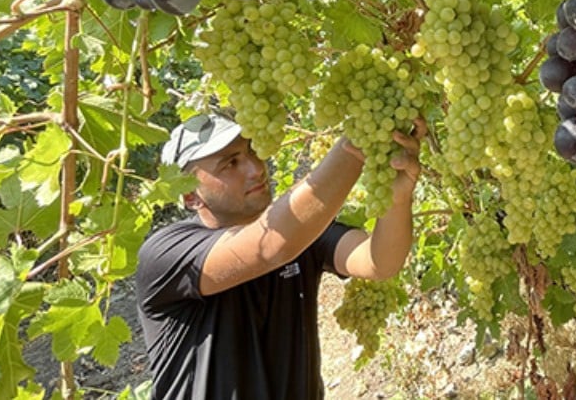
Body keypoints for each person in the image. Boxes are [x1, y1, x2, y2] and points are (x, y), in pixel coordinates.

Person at [135, 112, 425, 399]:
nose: (255, 168)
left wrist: (397, 199)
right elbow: (271, 245)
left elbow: (379, 262)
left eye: (251, 150)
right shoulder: (166, 254)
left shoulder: (300, 234)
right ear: (190, 196)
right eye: (230, 164)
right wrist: (363, 133)